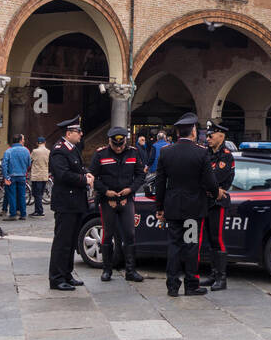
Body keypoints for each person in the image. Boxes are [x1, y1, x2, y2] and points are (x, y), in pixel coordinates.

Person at [154, 112, 219, 297]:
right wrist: (215, 194)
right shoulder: (201, 152)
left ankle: (172, 286)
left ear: (177, 132)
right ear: (193, 131)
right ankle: (191, 284)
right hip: (193, 209)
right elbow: (210, 181)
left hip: (173, 208)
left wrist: (159, 207)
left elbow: (160, 182)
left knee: (173, 246)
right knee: (191, 245)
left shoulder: (166, 152)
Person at [90, 127, 145, 283]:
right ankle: (107, 270)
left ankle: (130, 270)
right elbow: (92, 175)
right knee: (107, 235)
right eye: (116, 145)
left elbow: (141, 174)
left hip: (126, 199)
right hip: (108, 200)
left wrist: (131, 189)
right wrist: (106, 191)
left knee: (130, 234)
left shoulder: (133, 153)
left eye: (121, 145)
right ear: (110, 141)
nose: (119, 148)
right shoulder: (101, 154)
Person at [48, 115, 93, 291]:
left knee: (71, 241)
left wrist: (86, 174)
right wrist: (84, 180)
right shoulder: (59, 150)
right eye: (78, 131)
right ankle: (57, 278)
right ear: (69, 133)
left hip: (75, 203)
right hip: (66, 203)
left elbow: (78, 168)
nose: (81, 134)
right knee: (62, 242)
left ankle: (67, 273)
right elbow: (63, 175)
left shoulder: (72, 148)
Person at [200, 121, 235, 290]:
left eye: (211, 135)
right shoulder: (206, 153)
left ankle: (221, 279)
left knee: (217, 239)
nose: (208, 138)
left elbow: (216, 178)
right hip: (205, 202)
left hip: (218, 203)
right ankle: (213, 274)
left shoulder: (226, 155)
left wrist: (210, 185)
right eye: (207, 136)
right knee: (209, 240)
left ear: (221, 136)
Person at [1, 133, 31, 221]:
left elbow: (4, 165)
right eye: (23, 139)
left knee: (12, 195)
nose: (24, 141)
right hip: (22, 175)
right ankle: (23, 213)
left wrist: (6, 177)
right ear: (20, 140)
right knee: (22, 195)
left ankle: (13, 214)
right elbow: (29, 163)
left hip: (12, 176)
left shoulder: (9, 151)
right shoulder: (26, 150)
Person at [29, 136, 51, 217]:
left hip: (36, 175)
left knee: (36, 194)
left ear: (37, 143)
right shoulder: (48, 151)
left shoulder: (35, 151)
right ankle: (38, 210)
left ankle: (39, 211)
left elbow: (30, 160)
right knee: (40, 193)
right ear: (45, 142)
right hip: (44, 175)